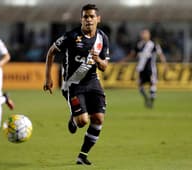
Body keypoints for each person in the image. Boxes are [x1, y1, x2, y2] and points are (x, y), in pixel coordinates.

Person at [43, 4, 110, 165]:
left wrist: (98, 59)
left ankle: (82, 156)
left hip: (93, 81)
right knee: (82, 121)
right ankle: (74, 119)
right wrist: (48, 78)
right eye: (85, 17)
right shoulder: (71, 36)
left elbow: (104, 66)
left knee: (99, 118)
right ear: (81, 19)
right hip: (73, 84)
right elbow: (51, 51)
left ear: (98, 19)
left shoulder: (102, 38)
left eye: (91, 16)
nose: (88, 20)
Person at [121, 28, 167, 108]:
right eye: (142, 33)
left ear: (149, 35)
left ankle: (151, 101)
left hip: (151, 69)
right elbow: (132, 54)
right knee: (140, 86)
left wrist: (164, 64)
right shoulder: (139, 44)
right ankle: (147, 99)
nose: (143, 35)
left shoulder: (154, 45)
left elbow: (161, 55)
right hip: (141, 69)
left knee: (152, 84)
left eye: (145, 33)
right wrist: (124, 60)